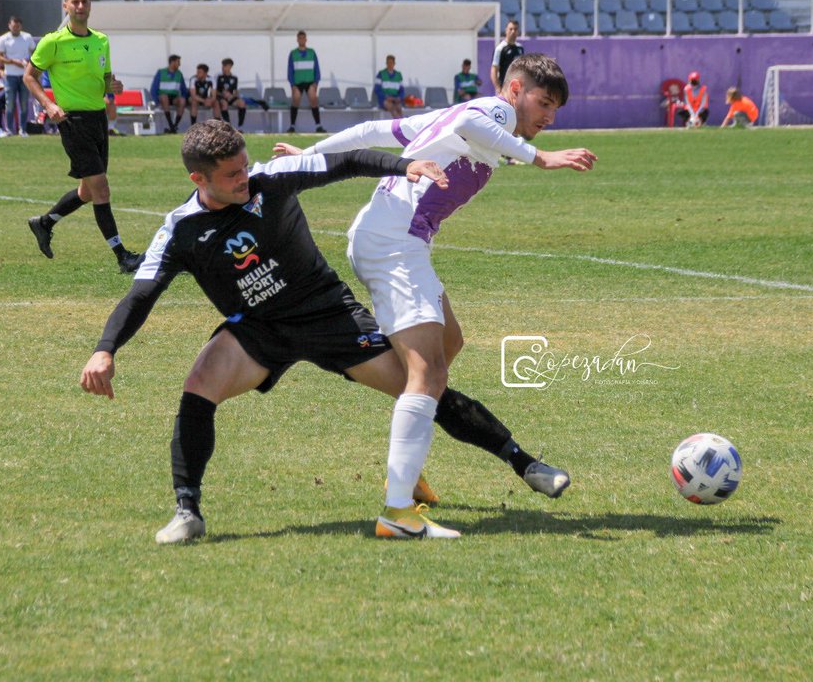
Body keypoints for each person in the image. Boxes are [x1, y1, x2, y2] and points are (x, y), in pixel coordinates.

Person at [82, 121, 568, 543]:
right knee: (198, 385)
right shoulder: (179, 230)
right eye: (230, 176)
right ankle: (187, 511)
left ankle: (524, 463)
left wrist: (407, 167)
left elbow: (349, 161)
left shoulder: (269, 180)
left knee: (422, 386)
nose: (243, 179)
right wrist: (105, 350)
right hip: (259, 330)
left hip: (328, 314)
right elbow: (140, 295)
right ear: (198, 178)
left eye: (244, 167)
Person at [272, 54, 594, 539]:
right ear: (514, 90)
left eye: (555, 109)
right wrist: (540, 157)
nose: (548, 116)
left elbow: (370, 131)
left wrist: (307, 157)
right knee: (429, 373)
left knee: (448, 348)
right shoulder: (492, 113)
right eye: (543, 102)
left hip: (395, 240)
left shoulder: (455, 119)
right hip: (393, 243)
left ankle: (408, 461)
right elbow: (470, 121)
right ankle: (397, 512)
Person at [24, 0, 142, 275]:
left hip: (98, 119)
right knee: (101, 188)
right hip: (72, 122)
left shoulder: (101, 40)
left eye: (84, 2)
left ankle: (44, 223)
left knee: (87, 192)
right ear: (65, 6)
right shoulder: (53, 41)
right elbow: (29, 76)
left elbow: (104, 80)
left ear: (90, 5)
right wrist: (48, 105)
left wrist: (112, 85)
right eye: (74, 2)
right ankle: (122, 256)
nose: (80, 6)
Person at [0, 17, 37, 135]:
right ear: (9, 25)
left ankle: (22, 129)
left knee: (24, 103)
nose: (15, 28)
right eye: (13, 26)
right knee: (10, 104)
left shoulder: (27, 37)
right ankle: (9, 129)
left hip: (25, 75)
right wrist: (14, 62)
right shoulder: (3, 39)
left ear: (21, 26)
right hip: (10, 76)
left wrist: (29, 62)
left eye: (18, 26)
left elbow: (35, 52)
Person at [286, 30, 324, 133]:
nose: (302, 40)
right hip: (298, 83)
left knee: (313, 99)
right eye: (300, 38)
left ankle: (318, 125)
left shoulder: (312, 52)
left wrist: (316, 83)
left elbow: (317, 68)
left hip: (310, 82)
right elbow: (290, 70)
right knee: (296, 99)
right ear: (297, 40)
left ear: (306, 39)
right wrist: (292, 84)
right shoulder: (293, 53)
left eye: (303, 38)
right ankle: (292, 126)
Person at [216, 57, 263, 129]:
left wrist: (232, 95)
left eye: (225, 66)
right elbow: (214, 91)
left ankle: (240, 126)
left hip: (231, 97)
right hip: (221, 98)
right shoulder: (218, 76)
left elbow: (236, 91)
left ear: (230, 66)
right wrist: (222, 94)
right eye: (222, 66)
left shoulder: (234, 78)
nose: (223, 67)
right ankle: (228, 126)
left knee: (242, 103)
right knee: (224, 104)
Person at [150, 54, 188, 133]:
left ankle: (174, 126)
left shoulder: (179, 74)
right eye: (178, 62)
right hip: (163, 97)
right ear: (172, 62)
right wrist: (156, 101)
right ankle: (171, 124)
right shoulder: (161, 72)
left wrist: (186, 98)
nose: (179, 64)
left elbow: (184, 90)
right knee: (164, 97)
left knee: (182, 100)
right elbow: (154, 89)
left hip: (174, 98)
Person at [490, 19, 524, 91]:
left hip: (517, 86)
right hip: (505, 87)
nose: (513, 31)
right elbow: (494, 70)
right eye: (510, 29)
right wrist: (498, 88)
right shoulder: (500, 48)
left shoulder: (520, 48)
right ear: (506, 30)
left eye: (515, 29)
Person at [188, 63, 218, 128]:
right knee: (193, 102)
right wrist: (204, 101)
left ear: (205, 73)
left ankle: (218, 126)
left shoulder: (211, 80)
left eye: (199, 72)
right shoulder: (193, 79)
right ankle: (193, 126)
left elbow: (214, 96)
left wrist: (210, 100)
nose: (197, 73)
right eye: (197, 71)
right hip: (196, 98)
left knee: (216, 102)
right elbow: (193, 95)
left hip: (205, 98)